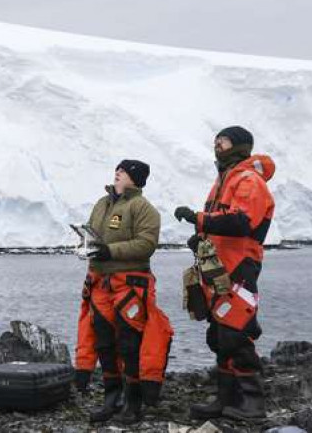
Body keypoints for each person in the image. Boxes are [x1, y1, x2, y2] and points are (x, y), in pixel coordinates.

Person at [174, 126, 276, 422]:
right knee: (219, 335)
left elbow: (241, 222)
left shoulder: (248, 180)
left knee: (236, 331)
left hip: (240, 266)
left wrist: (199, 218)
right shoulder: (224, 179)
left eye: (224, 140)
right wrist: (201, 237)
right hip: (218, 267)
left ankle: (253, 403)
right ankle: (226, 398)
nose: (217, 144)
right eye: (216, 140)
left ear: (240, 145)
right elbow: (222, 225)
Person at [75, 159, 173, 424]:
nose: (117, 174)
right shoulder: (102, 203)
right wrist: (85, 243)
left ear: (136, 178)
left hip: (129, 284)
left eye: (124, 172)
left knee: (130, 345)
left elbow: (146, 244)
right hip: (100, 283)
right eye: (117, 170)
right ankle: (112, 399)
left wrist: (110, 251)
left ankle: (133, 403)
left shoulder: (143, 209)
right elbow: (93, 232)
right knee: (105, 342)